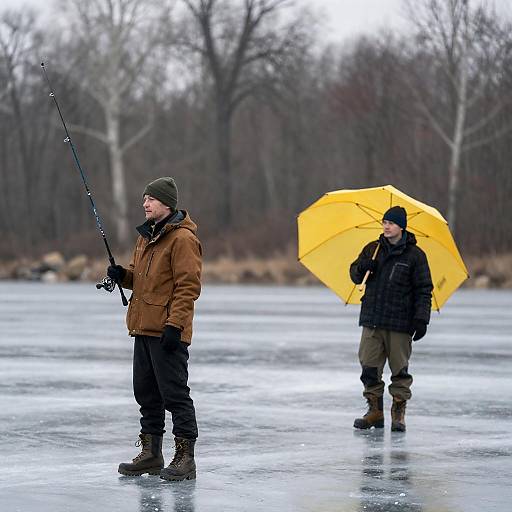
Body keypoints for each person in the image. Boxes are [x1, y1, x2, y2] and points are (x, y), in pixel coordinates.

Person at [107, 176, 202, 480]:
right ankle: (151, 454)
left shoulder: (183, 239)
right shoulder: (146, 237)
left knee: (175, 395)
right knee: (146, 394)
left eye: (150, 199)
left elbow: (188, 287)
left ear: (166, 203)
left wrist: (175, 326)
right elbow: (139, 278)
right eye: (144, 199)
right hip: (143, 327)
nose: (144, 204)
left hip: (167, 331)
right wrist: (122, 275)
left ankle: (186, 458)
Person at [349, 206, 433, 432]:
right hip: (372, 319)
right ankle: (375, 412)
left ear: (401, 227)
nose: (386, 226)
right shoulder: (372, 249)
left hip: (399, 323)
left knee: (400, 371)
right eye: (384, 222)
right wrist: (363, 267)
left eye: (391, 223)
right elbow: (355, 275)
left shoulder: (416, 256)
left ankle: (398, 413)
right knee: (369, 367)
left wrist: (421, 319)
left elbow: (424, 289)